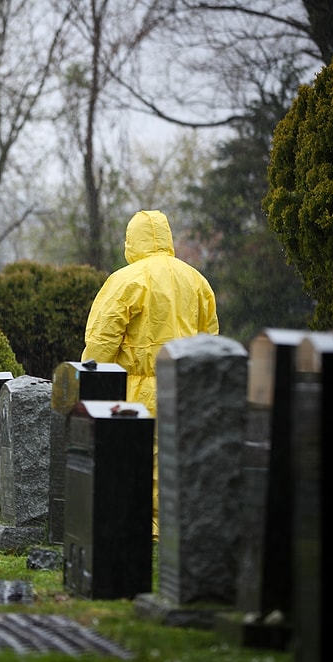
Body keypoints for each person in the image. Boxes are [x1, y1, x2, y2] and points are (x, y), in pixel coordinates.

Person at [81, 209, 219, 536]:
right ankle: (180, 525)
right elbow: (210, 339)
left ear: (132, 240)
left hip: (136, 389)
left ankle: (146, 528)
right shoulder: (196, 280)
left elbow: (101, 341)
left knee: (140, 459)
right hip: (187, 386)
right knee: (179, 455)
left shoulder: (126, 280)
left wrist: (88, 384)